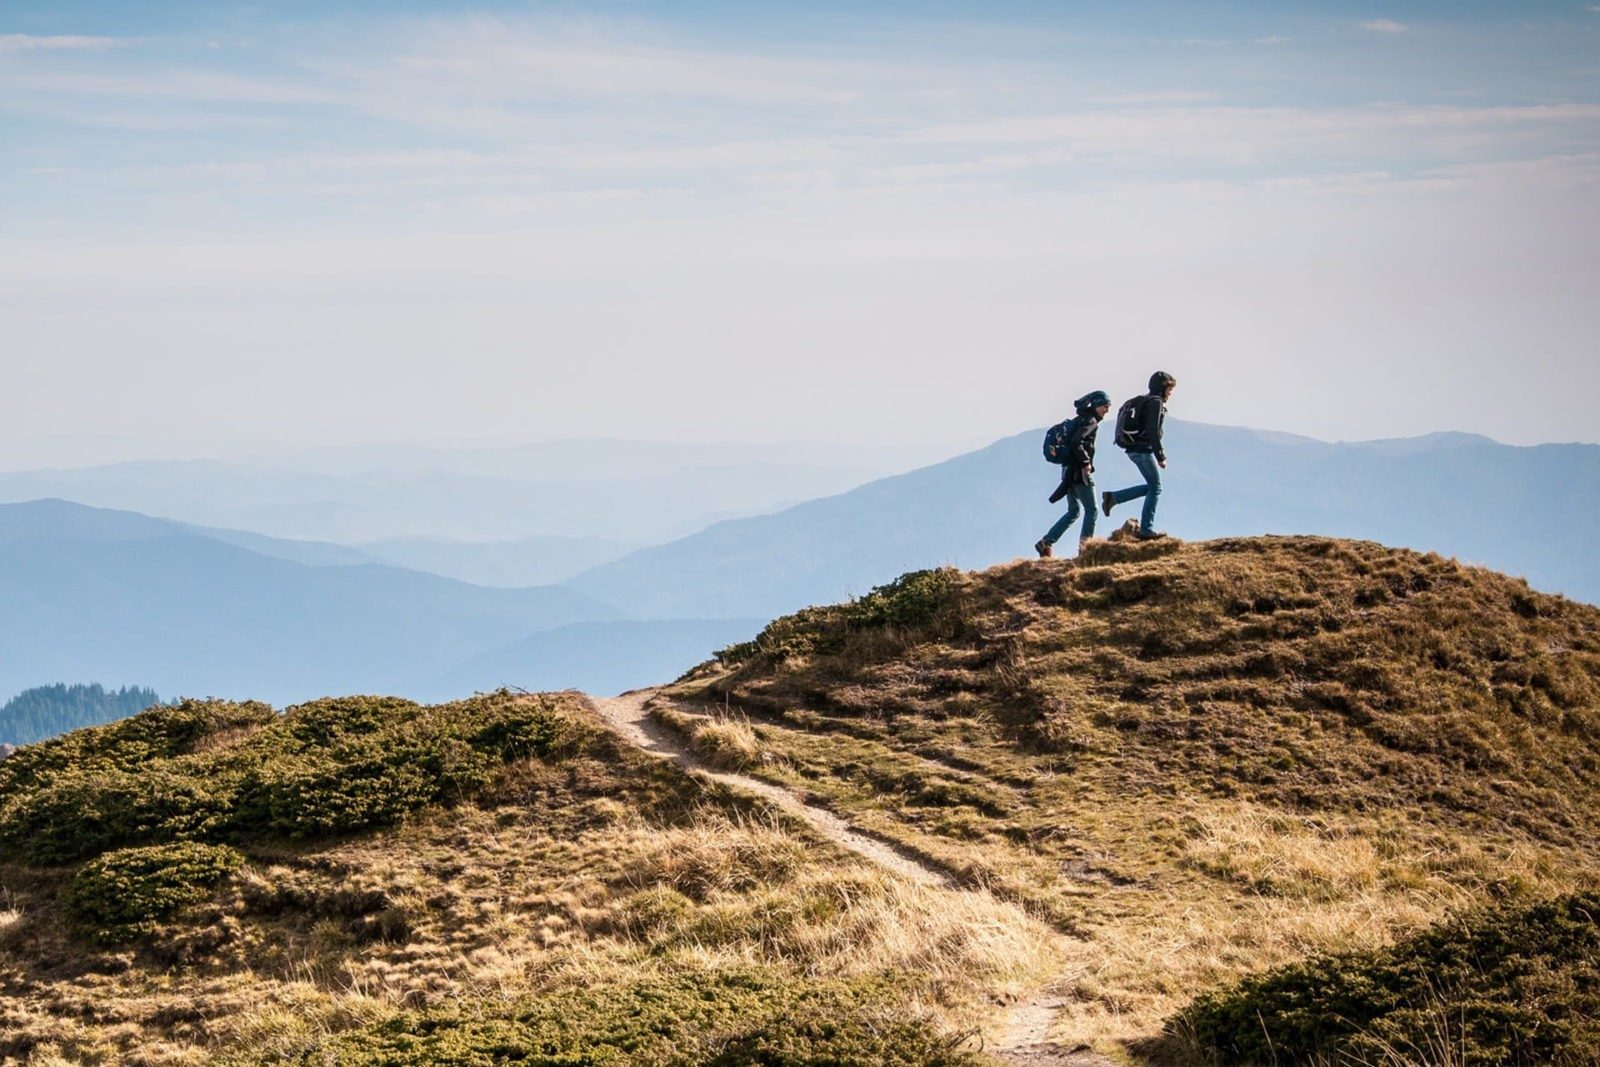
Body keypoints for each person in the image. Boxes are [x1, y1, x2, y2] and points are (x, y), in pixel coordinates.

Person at [1036, 390, 1110, 558]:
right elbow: (1077, 442)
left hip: (1067, 470)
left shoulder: (1080, 419)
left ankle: (1046, 542)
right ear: (1096, 405)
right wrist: (1086, 463)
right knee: (1092, 510)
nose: (1107, 410)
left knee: (1074, 511)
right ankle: (1085, 551)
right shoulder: (1090, 421)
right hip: (1078, 472)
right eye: (1105, 406)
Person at [1103, 371, 1176, 540]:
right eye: (1169, 389)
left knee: (1152, 487)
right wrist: (1160, 455)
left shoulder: (1144, 400)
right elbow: (1152, 431)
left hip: (1132, 449)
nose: (1170, 394)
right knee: (1156, 488)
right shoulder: (1156, 402)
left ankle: (1113, 498)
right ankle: (1146, 529)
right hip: (1143, 450)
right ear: (1162, 388)